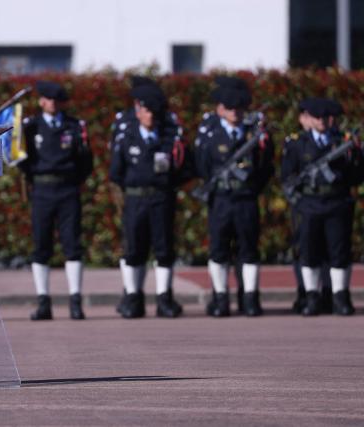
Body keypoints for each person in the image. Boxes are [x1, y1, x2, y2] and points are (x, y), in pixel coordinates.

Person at [194, 76, 274, 317]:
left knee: (248, 249)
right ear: (219, 109)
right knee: (218, 249)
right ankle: (220, 298)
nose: (235, 113)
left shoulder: (255, 135)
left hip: (245, 198)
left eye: (239, 108)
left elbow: (265, 167)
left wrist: (250, 188)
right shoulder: (210, 134)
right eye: (230, 108)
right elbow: (202, 166)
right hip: (221, 199)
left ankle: (249, 297)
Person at [109, 84, 190, 318]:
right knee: (134, 249)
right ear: (138, 111)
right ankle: (133, 297)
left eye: (154, 112)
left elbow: (183, 167)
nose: (150, 116)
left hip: (162, 199)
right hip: (136, 199)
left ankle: (165, 298)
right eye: (146, 110)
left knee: (164, 249)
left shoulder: (168, 137)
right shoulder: (127, 137)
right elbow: (116, 172)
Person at [18, 80, 93, 320]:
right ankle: (43, 302)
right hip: (42, 188)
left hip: (68, 189)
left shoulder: (74, 126)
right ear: (41, 101)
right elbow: (22, 160)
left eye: (58, 100)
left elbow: (85, 161)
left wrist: (71, 179)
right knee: (41, 246)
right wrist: (37, 177)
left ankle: (75, 300)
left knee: (72, 245)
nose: (53, 104)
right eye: (49, 99)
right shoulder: (31, 126)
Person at [281, 98, 362, 316]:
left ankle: (340, 297)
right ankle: (311, 297)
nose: (323, 121)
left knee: (339, 252)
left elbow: (356, 176)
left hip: (336, 202)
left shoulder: (342, 141)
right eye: (318, 117)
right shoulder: (297, 143)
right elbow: (287, 175)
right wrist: (298, 199)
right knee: (309, 252)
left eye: (326, 117)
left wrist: (354, 155)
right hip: (310, 204)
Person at [288, 98, 331, 314]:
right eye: (308, 116)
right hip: (305, 203)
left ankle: (329, 294)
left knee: (329, 250)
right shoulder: (297, 142)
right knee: (304, 250)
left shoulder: (335, 140)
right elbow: (287, 174)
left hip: (330, 203)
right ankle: (305, 293)